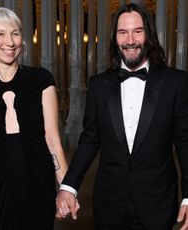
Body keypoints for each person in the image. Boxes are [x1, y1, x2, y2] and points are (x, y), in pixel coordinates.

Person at [56, 3, 188, 230]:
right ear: (114, 38)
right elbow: (89, 140)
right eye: (122, 32)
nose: (130, 40)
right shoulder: (99, 86)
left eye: (138, 31)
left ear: (149, 35)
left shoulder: (176, 83)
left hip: (157, 204)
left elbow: (186, 144)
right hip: (109, 205)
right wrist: (69, 186)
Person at [0, 7, 68, 230]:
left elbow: (53, 141)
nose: (9, 41)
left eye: (15, 33)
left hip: (36, 187)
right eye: (0, 34)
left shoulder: (42, 80)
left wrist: (67, 189)